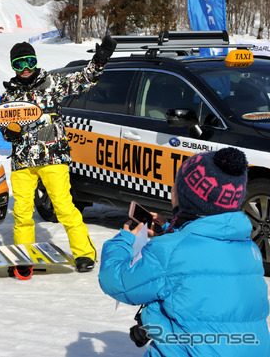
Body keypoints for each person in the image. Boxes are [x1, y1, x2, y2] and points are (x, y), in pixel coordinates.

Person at [98, 147, 270, 356]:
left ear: (185, 197)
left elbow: (117, 281)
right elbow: (201, 257)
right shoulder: (248, 248)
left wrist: (125, 240)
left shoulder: (170, 251)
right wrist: (170, 231)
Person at [0, 37, 116, 277]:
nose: (26, 69)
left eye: (30, 61)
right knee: (21, 213)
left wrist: (100, 59)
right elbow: (3, 128)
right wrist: (9, 132)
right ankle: (24, 256)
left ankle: (84, 253)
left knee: (63, 207)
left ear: (36, 61)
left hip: (53, 157)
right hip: (23, 161)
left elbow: (85, 79)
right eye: (19, 64)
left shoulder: (53, 83)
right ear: (13, 67)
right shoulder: (8, 96)